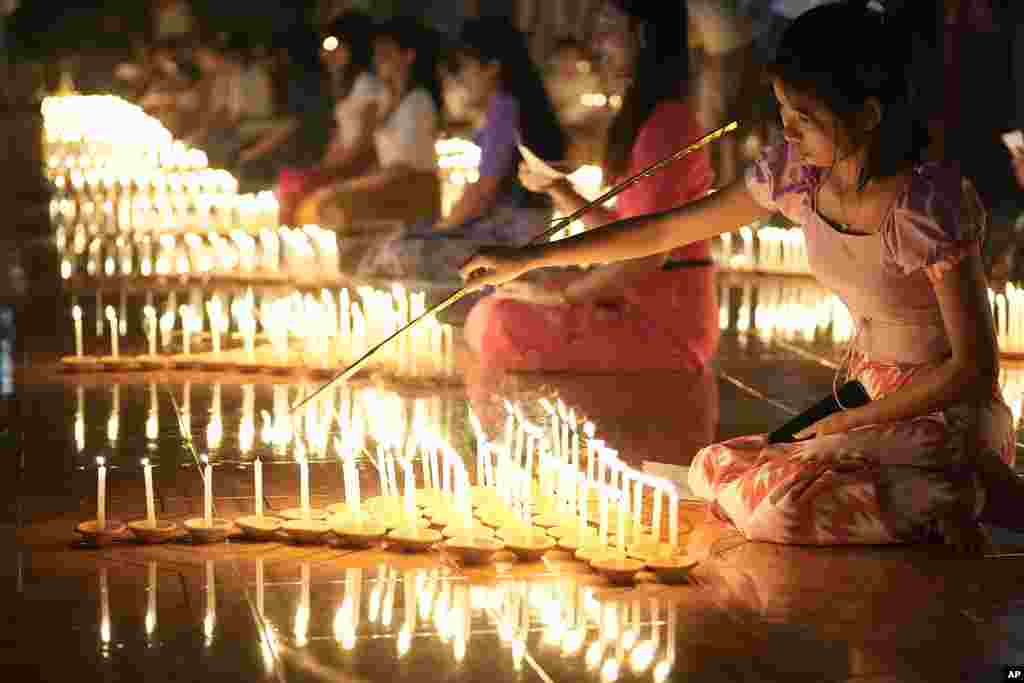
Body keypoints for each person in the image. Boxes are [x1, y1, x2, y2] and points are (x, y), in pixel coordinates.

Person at [461, 2, 1023, 550]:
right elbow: (661, 232)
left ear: (868, 115)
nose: (788, 130)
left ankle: (957, 491)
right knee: (715, 466)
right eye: (783, 110)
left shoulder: (925, 206)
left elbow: (971, 371)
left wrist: (846, 425)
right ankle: (928, 496)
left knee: (784, 504)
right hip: (864, 400)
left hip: (935, 412)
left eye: (805, 117)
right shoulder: (799, 177)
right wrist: (530, 259)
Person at [462, 0, 718, 373]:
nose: (599, 44)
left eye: (608, 29)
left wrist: (560, 296)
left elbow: (645, 253)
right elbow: (624, 236)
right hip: (632, 302)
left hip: (665, 326)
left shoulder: (667, 127)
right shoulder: (647, 119)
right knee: (495, 309)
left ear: (642, 35)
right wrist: (558, 190)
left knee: (499, 322)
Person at [359, 16, 567, 280]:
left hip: (510, 237)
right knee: (404, 239)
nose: (463, 78)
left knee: (399, 250)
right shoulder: (515, 107)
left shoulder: (503, 109)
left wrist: (443, 228)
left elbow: (484, 190)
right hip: (518, 229)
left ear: (492, 68)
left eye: (466, 68)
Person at [295, 17, 442, 232]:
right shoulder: (388, 99)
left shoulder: (418, 102)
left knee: (327, 205)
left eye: (387, 53)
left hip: (413, 191)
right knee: (317, 203)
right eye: (378, 53)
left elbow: (401, 169)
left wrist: (344, 186)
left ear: (408, 56)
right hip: (389, 185)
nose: (379, 60)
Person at [262, 12, 384, 225]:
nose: (324, 55)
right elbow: (340, 134)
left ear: (351, 47)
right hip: (342, 163)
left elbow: (364, 142)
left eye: (332, 46)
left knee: (296, 188)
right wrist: (327, 163)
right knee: (286, 183)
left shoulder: (368, 86)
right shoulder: (346, 85)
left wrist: (331, 168)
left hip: (359, 165)